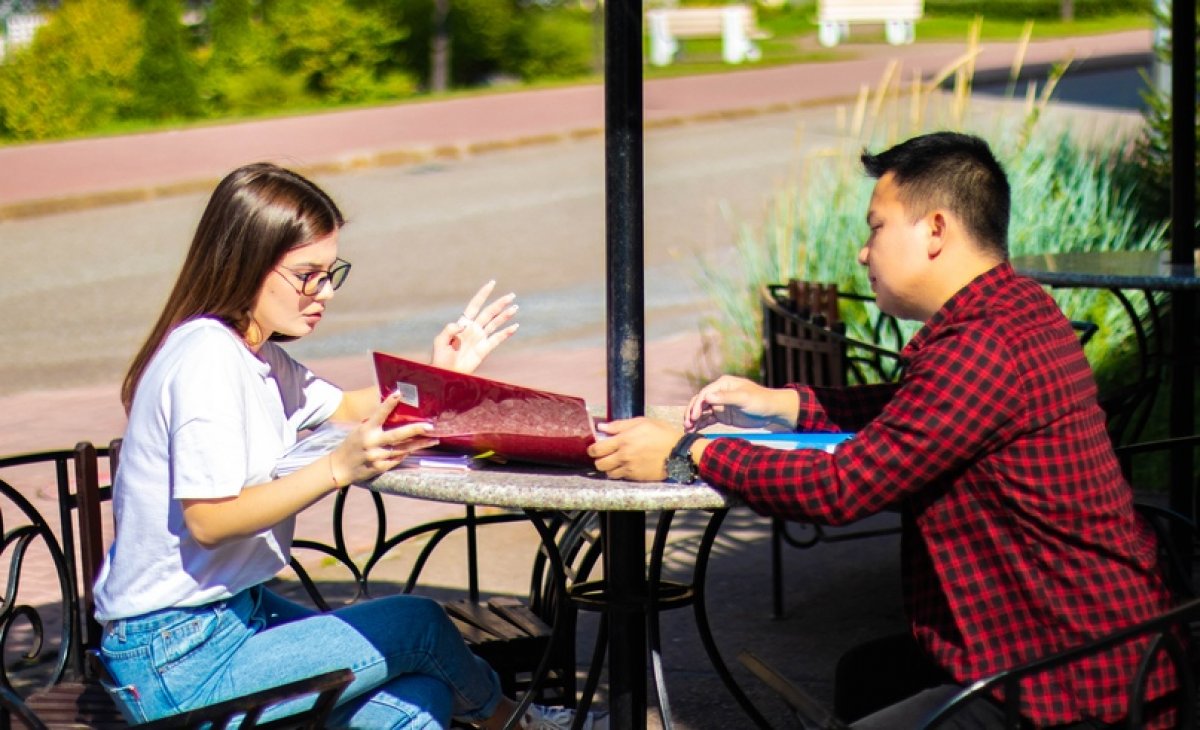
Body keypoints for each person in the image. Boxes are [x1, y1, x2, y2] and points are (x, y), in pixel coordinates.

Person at [588, 132, 1177, 728]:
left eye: (876, 227)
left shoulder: (982, 346)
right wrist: (783, 403)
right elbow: (913, 413)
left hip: (1067, 684)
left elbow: (844, 487)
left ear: (936, 231)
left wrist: (688, 455)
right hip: (1078, 644)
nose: (865, 253)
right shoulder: (1014, 308)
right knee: (867, 675)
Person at [93, 162, 604, 730]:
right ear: (247, 262)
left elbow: (351, 407)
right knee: (420, 624)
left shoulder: (254, 354)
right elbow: (210, 520)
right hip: (178, 656)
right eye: (308, 274)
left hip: (231, 619)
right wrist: (338, 467)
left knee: (420, 706)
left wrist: (439, 373)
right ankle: (519, 724)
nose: (326, 292)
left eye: (332, 271)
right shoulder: (207, 361)